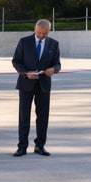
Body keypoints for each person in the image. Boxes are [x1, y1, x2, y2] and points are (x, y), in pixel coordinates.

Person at [12, 19, 61, 157]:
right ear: (35, 29)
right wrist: (26, 73)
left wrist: (53, 69)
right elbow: (16, 61)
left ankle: (40, 146)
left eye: (44, 34)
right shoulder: (24, 42)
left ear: (49, 31)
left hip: (44, 85)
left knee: (43, 117)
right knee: (24, 117)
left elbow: (57, 64)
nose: (40, 36)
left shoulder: (53, 44)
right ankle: (22, 147)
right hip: (26, 84)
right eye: (38, 33)